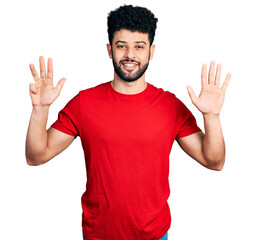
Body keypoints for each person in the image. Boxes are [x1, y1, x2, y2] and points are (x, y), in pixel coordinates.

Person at [25, 5, 231, 240]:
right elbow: (36, 156)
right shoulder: (84, 103)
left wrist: (212, 117)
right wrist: (40, 109)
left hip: (154, 235)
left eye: (139, 47)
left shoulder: (170, 106)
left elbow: (214, 161)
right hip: (97, 236)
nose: (130, 55)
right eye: (121, 46)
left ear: (151, 51)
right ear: (109, 50)